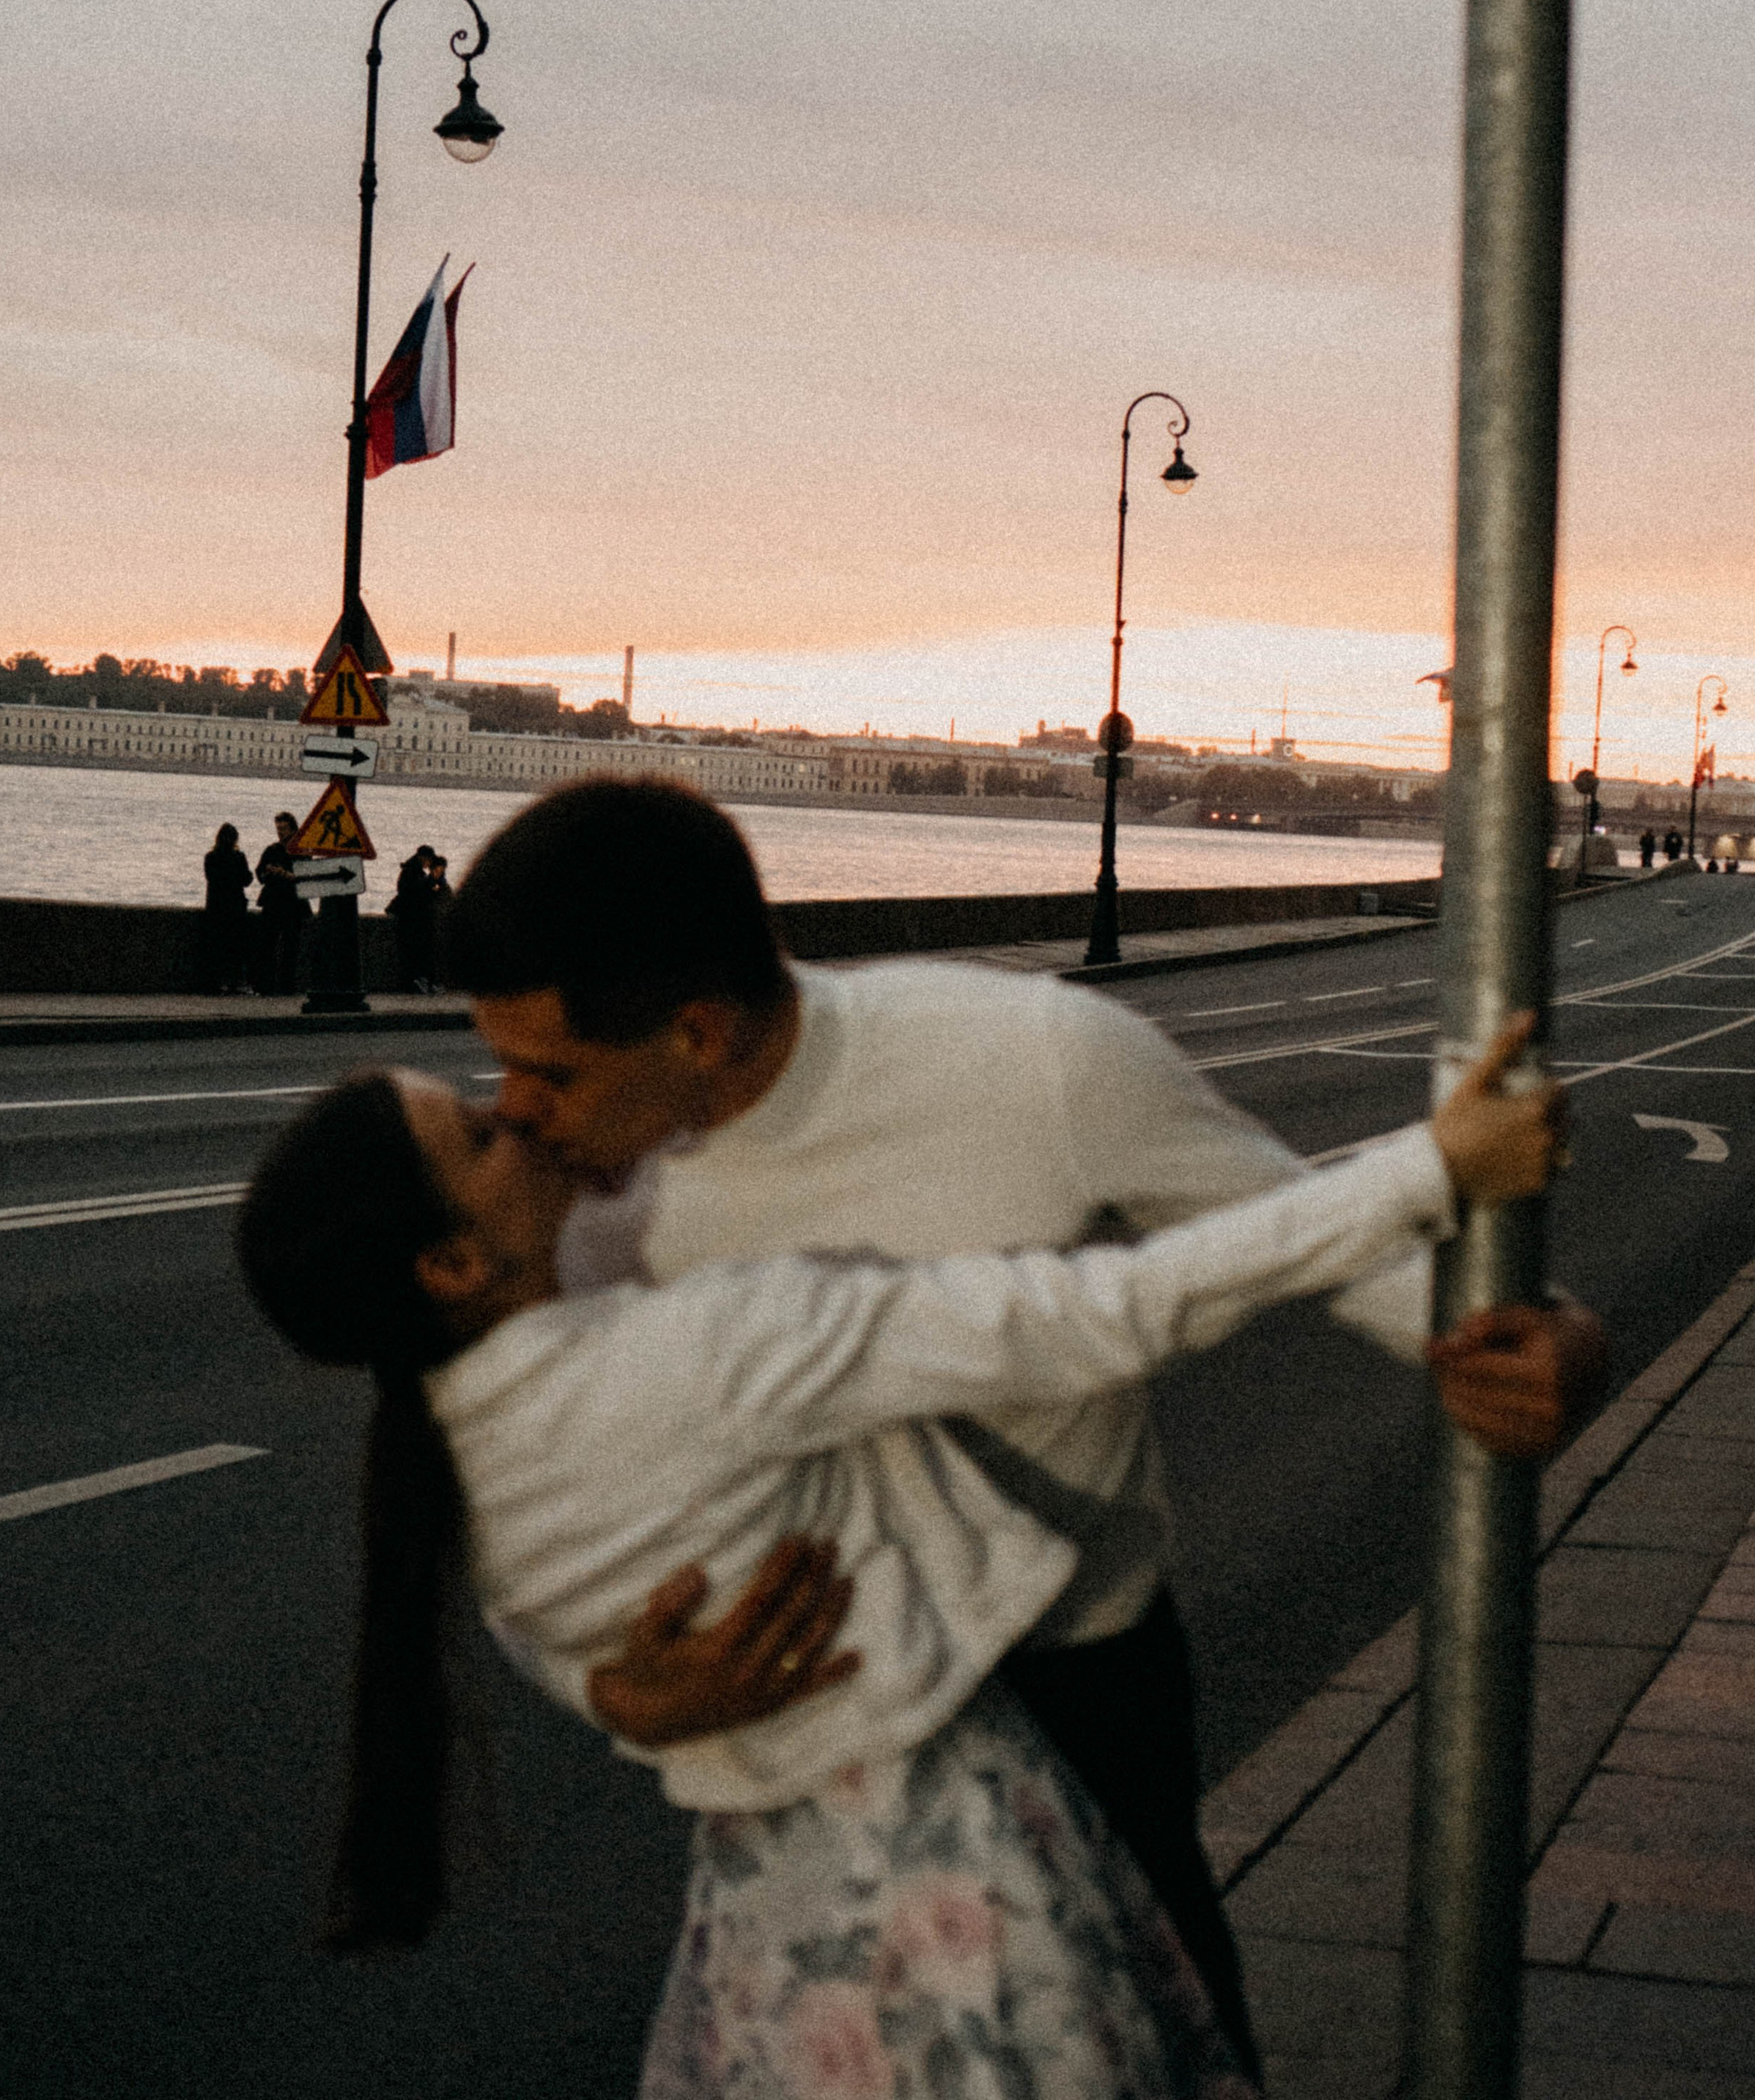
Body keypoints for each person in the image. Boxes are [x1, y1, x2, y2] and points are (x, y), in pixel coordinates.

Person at [438, 780, 1608, 2078]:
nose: (516, 1110)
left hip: (1081, 1702)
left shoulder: (1038, 1060)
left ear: (698, 1032)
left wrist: (1564, 1341)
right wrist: (609, 1690)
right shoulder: (578, 1218)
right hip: (811, 1732)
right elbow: (518, 1490)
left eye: (546, 1070)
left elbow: (1321, 1253)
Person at [234, 1020, 1558, 2099]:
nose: (515, 1109)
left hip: (762, 1916)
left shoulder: (453, 1469)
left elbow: (547, 1630)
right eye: (474, 1128)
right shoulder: (699, 1352)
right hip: (953, 1864)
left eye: (524, 1074)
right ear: (456, 1260)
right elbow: (1109, 1309)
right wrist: (1428, 1170)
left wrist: (615, 1697)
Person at [254, 812, 306, 995]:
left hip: (293, 904)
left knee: (291, 947)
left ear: (292, 829)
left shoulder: (302, 851)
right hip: (273, 902)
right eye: (278, 829)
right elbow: (259, 872)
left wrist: (286, 875)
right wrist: (267, 872)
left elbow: (306, 877)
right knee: (267, 944)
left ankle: (287, 985)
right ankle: (266, 985)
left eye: (283, 829)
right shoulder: (272, 850)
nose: (280, 833)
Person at [201, 822, 253, 995]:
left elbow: (211, 878)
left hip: (216, 907)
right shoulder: (239, 857)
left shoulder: (211, 857)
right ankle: (235, 982)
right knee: (236, 947)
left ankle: (215, 982)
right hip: (236, 908)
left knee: (216, 946)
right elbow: (246, 879)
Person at [388, 844, 446, 995]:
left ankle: (420, 981)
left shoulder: (413, 871)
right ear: (423, 858)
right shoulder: (412, 872)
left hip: (413, 918)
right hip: (412, 919)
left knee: (417, 953)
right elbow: (416, 894)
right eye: (428, 861)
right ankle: (417, 982)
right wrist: (432, 881)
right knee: (417, 952)